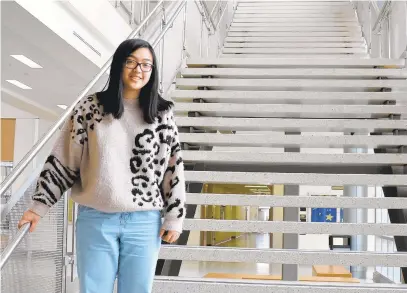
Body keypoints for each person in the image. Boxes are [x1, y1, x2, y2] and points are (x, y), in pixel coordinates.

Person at [18, 38, 186, 293]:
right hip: (96, 218)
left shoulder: (162, 114)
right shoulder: (90, 107)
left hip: (144, 220)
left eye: (146, 65)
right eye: (131, 62)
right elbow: (64, 159)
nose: (138, 70)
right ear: (119, 64)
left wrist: (174, 217)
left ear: (153, 71)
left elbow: (173, 167)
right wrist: (38, 206)